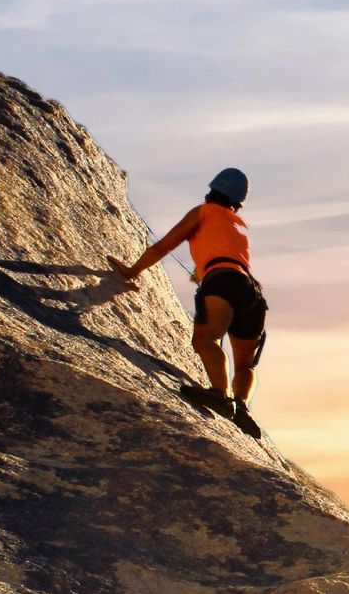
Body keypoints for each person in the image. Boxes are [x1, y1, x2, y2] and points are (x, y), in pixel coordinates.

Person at [109, 167, 268, 438]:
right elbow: (227, 256)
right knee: (245, 365)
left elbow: (163, 247)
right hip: (252, 292)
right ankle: (242, 407)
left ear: (212, 190)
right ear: (238, 202)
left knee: (206, 340)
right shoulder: (240, 226)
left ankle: (220, 394)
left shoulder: (202, 212)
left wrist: (131, 272)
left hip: (222, 281)